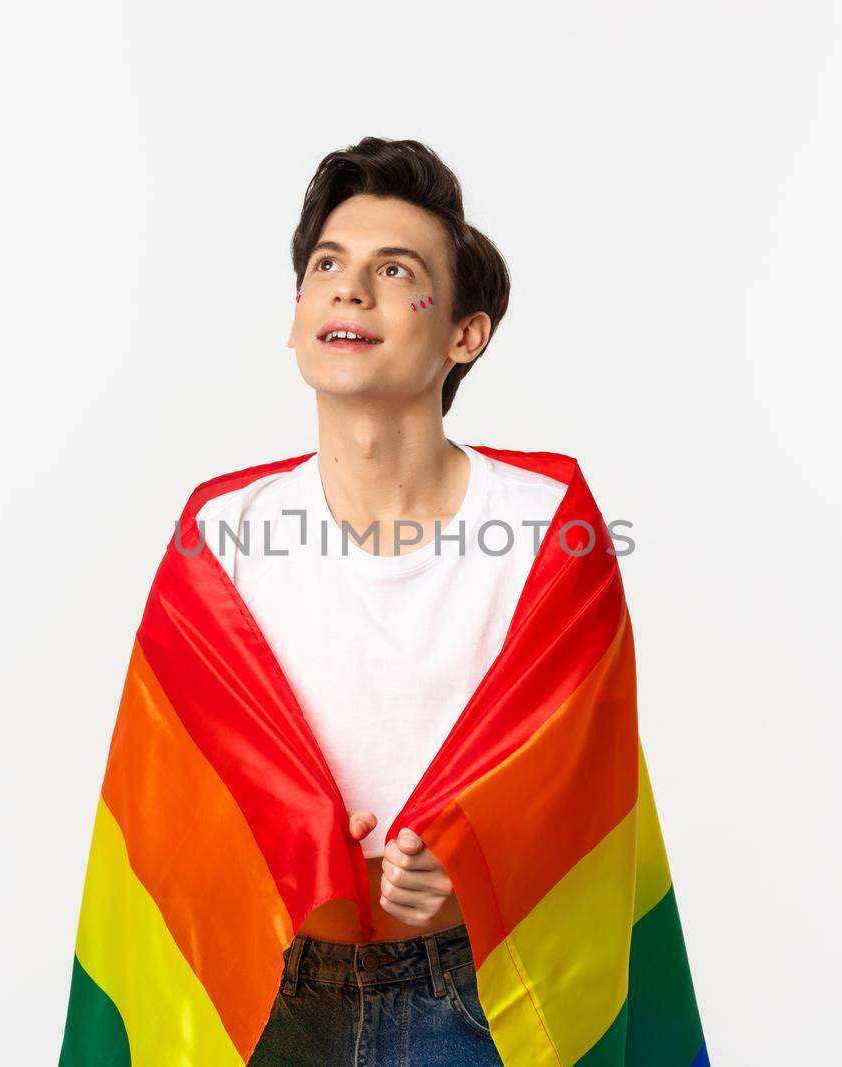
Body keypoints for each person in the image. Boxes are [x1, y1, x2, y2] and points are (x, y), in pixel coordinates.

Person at [195, 137, 555, 1065]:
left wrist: (475, 853)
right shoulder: (221, 529)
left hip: (479, 998)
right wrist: (287, 830)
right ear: (299, 315)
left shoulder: (549, 524)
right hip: (270, 997)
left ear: (465, 334)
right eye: (328, 266)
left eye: (396, 271)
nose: (350, 290)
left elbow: (583, 776)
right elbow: (177, 780)